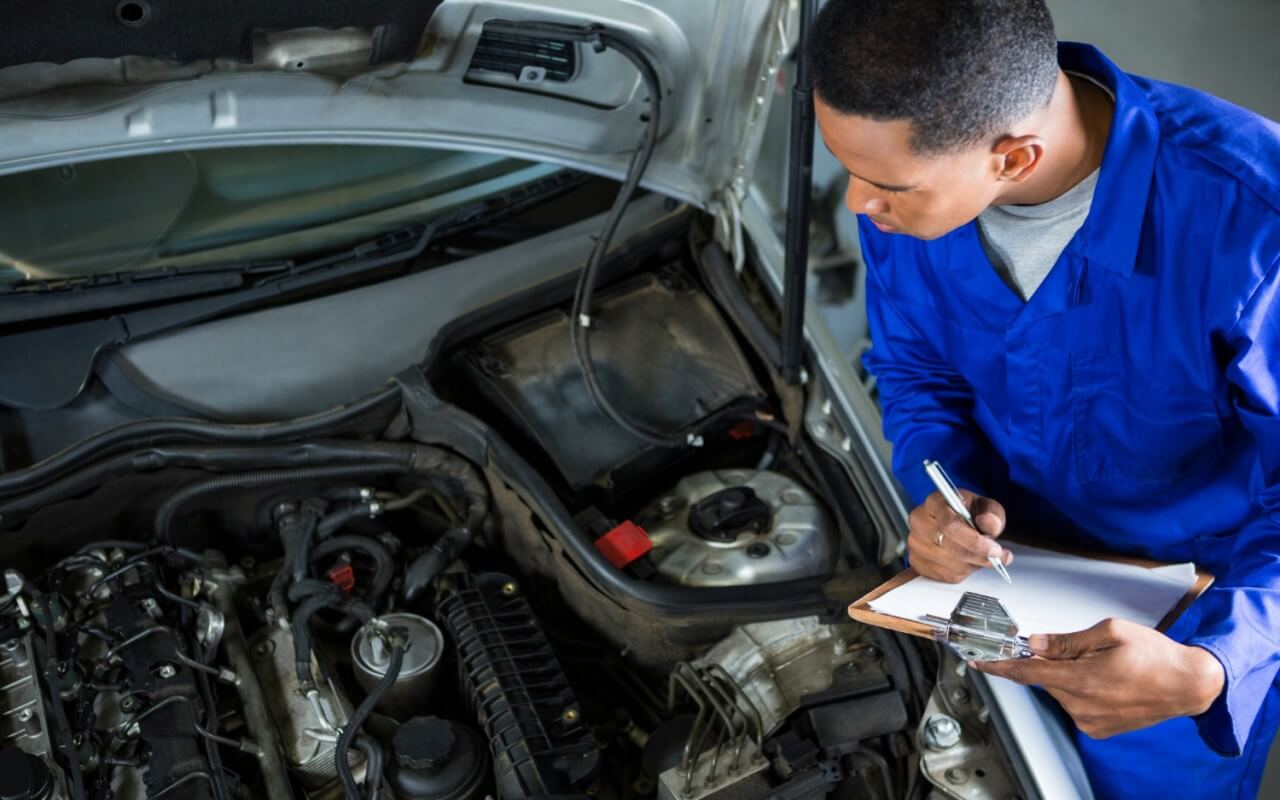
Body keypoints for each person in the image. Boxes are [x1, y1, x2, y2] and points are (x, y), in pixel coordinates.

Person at [806, 1, 1280, 797]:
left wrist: (1216, 665)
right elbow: (918, 375)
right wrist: (941, 496)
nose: (858, 204)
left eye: (885, 184)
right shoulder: (908, 184)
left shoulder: (1253, 223)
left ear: (1015, 160)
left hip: (1175, 643)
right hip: (989, 599)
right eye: (848, 168)